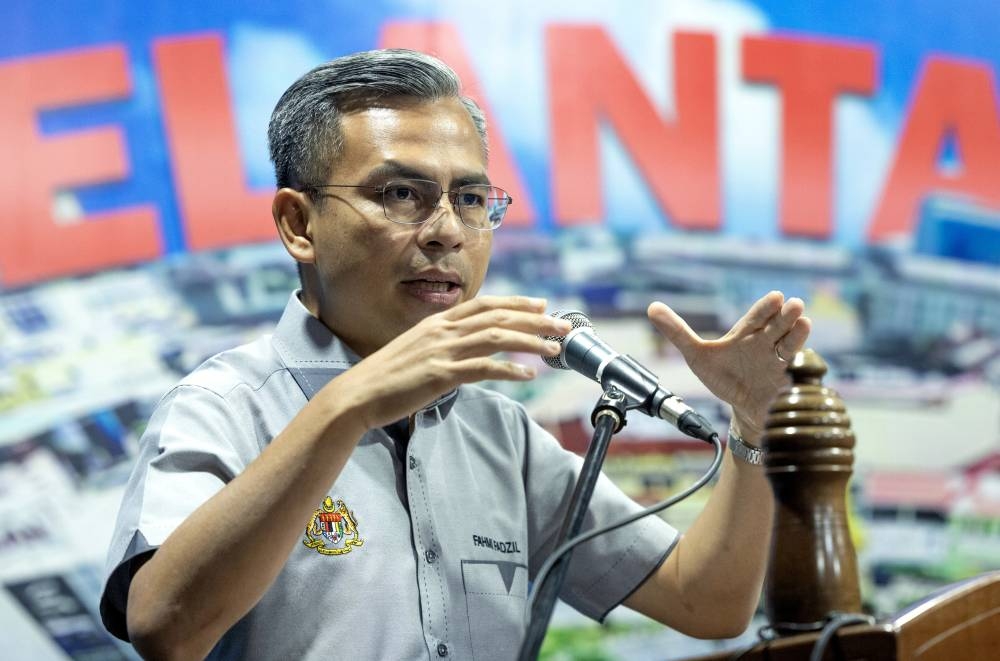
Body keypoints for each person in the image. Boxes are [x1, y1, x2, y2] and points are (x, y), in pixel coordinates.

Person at [100, 48, 810, 660]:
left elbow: (708, 599)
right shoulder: (223, 407)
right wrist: (351, 404)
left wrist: (751, 422)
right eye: (401, 192)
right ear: (298, 223)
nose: (446, 231)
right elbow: (164, 627)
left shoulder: (498, 434)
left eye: (470, 198)